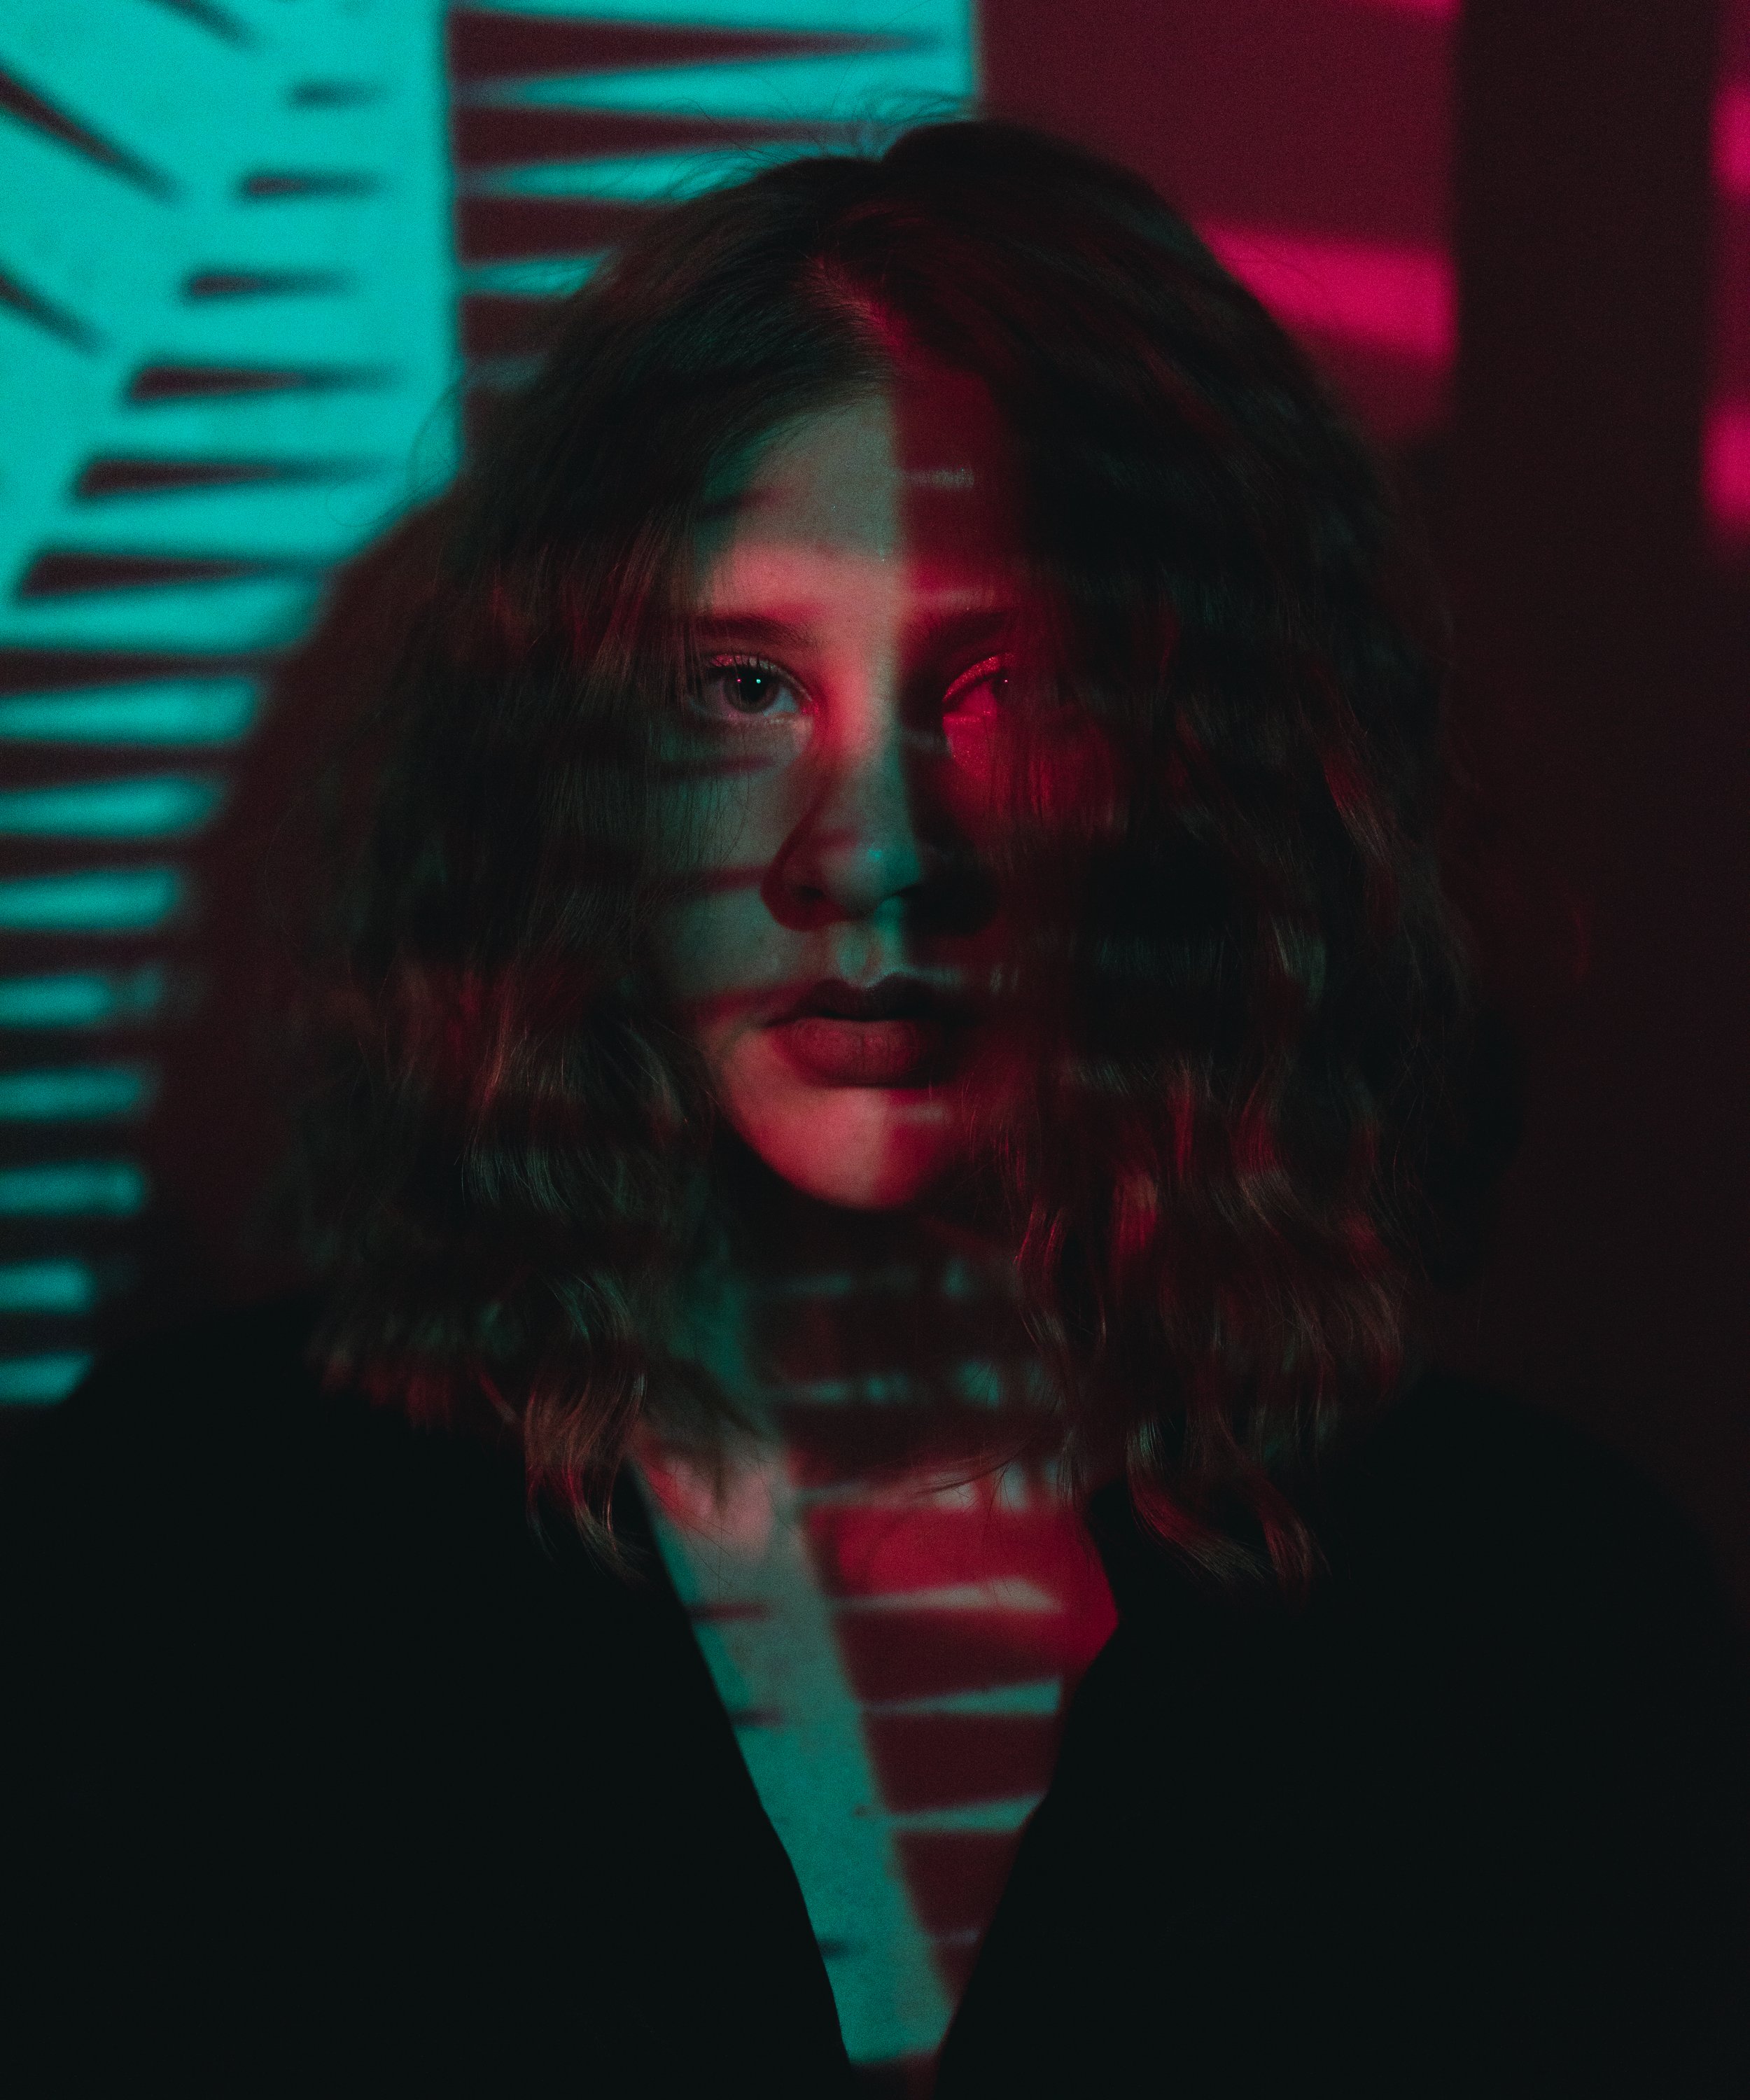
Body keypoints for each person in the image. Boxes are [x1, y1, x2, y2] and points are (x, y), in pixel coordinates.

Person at [1, 121, 1744, 2094]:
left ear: (1205, 774)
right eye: (744, 684)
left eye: (1006, 685)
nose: (869, 857)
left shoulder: (1534, 1629)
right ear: (574, 767)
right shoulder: (188, 1569)